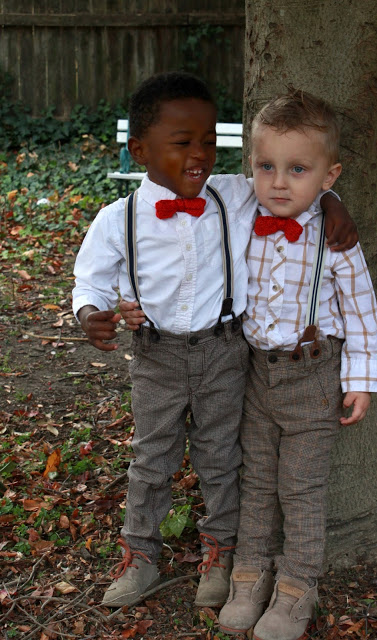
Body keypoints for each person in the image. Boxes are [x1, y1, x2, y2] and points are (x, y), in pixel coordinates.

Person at [72, 72, 357, 610]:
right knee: (151, 458)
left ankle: (220, 552)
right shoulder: (118, 219)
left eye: (209, 141)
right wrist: (91, 313)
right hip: (155, 357)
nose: (199, 154)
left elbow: (296, 184)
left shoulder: (233, 195)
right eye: (182, 143)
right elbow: (89, 281)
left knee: (221, 457)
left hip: (225, 352)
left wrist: (334, 200)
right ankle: (142, 555)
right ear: (140, 149)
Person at [215, 90, 377, 640]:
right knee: (257, 480)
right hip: (254, 375)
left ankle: (296, 588)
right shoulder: (241, 215)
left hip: (313, 378)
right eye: (266, 167)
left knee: (301, 488)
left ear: (328, 175)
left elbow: (361, 312)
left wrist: (361, 381)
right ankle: (248, 575)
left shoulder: (336, 239)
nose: (279, 183)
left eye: (298, 170)